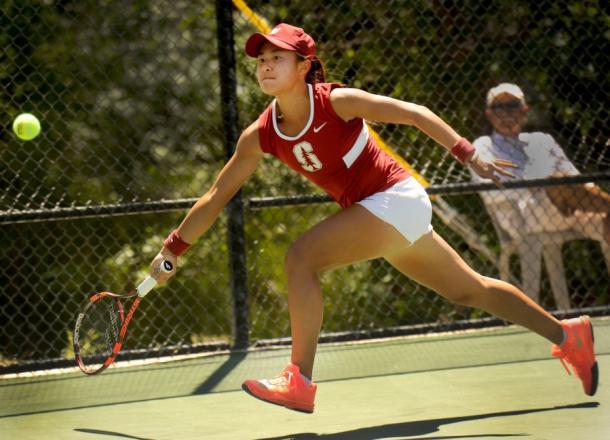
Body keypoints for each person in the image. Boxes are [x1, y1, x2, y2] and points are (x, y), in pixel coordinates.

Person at [149, 24, 598, 413]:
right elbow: (215, 195)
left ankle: (299, 382)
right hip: (383, 215)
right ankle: (569, 335)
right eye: (261, 60)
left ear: (304, 65)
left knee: (300, 259)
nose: (265, 66)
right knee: (469, 290)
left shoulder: (336, 102)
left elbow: (412, 113)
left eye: (277, 58)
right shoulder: (261, 134)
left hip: (396, 199)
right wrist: (173, 249)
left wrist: (467, 153)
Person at [471, 83, 610, 309]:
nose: (506, 112)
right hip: (524, 216)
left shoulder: (541, 140)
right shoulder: (483, 146)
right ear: (489, 113)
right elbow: (492, 194)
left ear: (524, 109)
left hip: (574, 209)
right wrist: (542, 184)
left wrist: (556, 184)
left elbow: (574, 176)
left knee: (598, 210)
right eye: (499, 107)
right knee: (556, 183)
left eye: (512, 105)